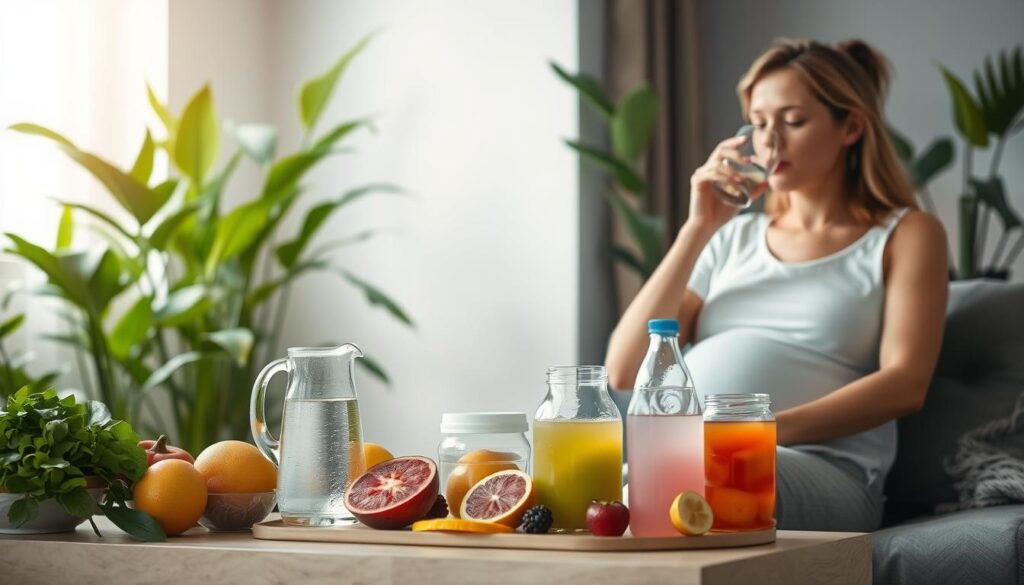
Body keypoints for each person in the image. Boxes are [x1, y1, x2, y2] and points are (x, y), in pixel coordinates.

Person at [605, 38, 949, 532]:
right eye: (760, 123)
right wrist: (697, 228)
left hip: (820, 466)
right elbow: (624, 368)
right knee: (592, 484)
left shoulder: (905, 234)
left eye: (793, 121)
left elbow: (905, 384)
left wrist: (754, 434)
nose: (771, 143)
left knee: (680, 482)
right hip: (693, 456)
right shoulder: (733, 236)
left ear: (851, 126)